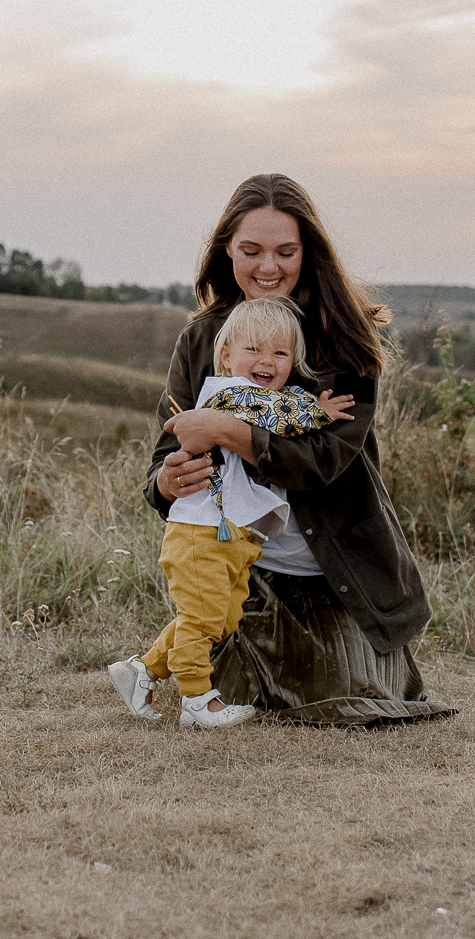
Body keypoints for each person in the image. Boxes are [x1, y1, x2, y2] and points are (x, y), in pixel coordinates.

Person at [136, 173, 454, 726]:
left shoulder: (344, 339)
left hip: (327, 568)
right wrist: (167, 481)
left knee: (339, 696)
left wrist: (228, 430)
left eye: (286, 252)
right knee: (226, 665)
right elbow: (164, 463)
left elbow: (323, 463)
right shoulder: (202, 339)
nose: (269, 267)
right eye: (251, 251)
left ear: (309, 253)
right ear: (226, 251)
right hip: (237, 560)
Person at [108, 296, 356, 728]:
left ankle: (143, 669)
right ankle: (196, 700)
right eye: (253, 349)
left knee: (219, 617)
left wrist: (305, 402)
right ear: (225, 357)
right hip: (201, 531)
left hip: (230, 535)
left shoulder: (261, 396)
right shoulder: (227, 394)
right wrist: (319, 411)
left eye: (280, 353)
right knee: (204, 618)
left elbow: (280, 401)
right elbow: (279, 415)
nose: (267, 361)